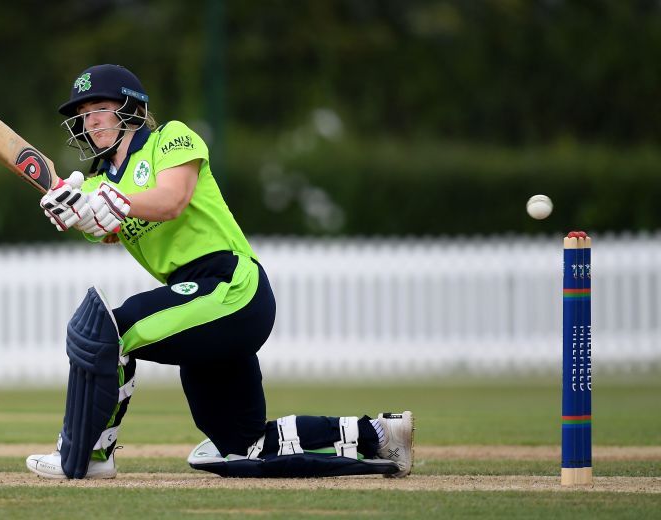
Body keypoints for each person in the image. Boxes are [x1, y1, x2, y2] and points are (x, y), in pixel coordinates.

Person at [25, 64, 414, 479]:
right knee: (241, 446)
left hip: (231, 286)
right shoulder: (101, 181)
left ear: (131, 109)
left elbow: (171, 199)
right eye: (83, 113)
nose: (91, 120)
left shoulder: (170, 139)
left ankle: (89, 456)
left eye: (100, 107)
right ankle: (381, 434)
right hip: (201, 306)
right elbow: (105, 228)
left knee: (108, 330)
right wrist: (76, 210)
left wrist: (109, 200)